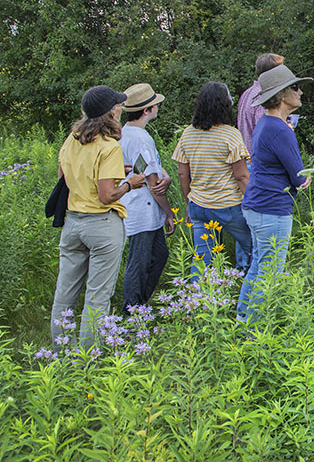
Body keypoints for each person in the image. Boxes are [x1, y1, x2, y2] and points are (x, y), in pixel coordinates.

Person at [50, 86, 146, 349]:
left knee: (65, 294)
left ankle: (60, 354)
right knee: (97, 296)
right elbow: (107, 195)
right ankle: (88, 359)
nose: (120, 108)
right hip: (102, 225)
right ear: (109, 112)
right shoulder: (109, 146)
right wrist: (130, 183)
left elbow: (63, 178)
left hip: (73, 223)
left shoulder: (72, 138)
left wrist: (114, 171)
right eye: (117, 105)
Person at [238, 65, 312, 322]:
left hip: (257, 206)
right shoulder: (280, 129)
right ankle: (256, 331)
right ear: (281, 95)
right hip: (272, 208)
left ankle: (243, 319)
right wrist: (307, 177)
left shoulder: (267, 123)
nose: (300, 92)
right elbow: (299, 177)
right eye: (294, 87)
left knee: (257, 266)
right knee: (270, 273)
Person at [172, 81, 254, 282]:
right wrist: (254, 203)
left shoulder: (188, 134)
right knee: (256, 247)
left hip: (198, 206)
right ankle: (254, 292)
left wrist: (188, 202)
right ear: (224, 104)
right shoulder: (230, 134)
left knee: (201, 259)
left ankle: (194, 303)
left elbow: (183, 173)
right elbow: (242, 176)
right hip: (229, 205)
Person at [119, 84, 174, 313]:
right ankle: (132, 311)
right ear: (147, 111)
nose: (157, 107)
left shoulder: (127, 132)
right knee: (139, 262)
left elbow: (147, 169)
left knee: (159, 254)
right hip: (141, 209)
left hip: (142, 208)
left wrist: (165, 176)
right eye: (155, 105)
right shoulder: (140, 138)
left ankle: (140, 304)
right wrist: (169, 213)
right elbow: (153, 184)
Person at [235, 52, 284, 271]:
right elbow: (265, 133)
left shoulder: (247, 93)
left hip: (245, 160)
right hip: (257, 164)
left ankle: (242, 267)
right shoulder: (263, 97)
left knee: (249, 219)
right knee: (262, 221)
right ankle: (254, 270)